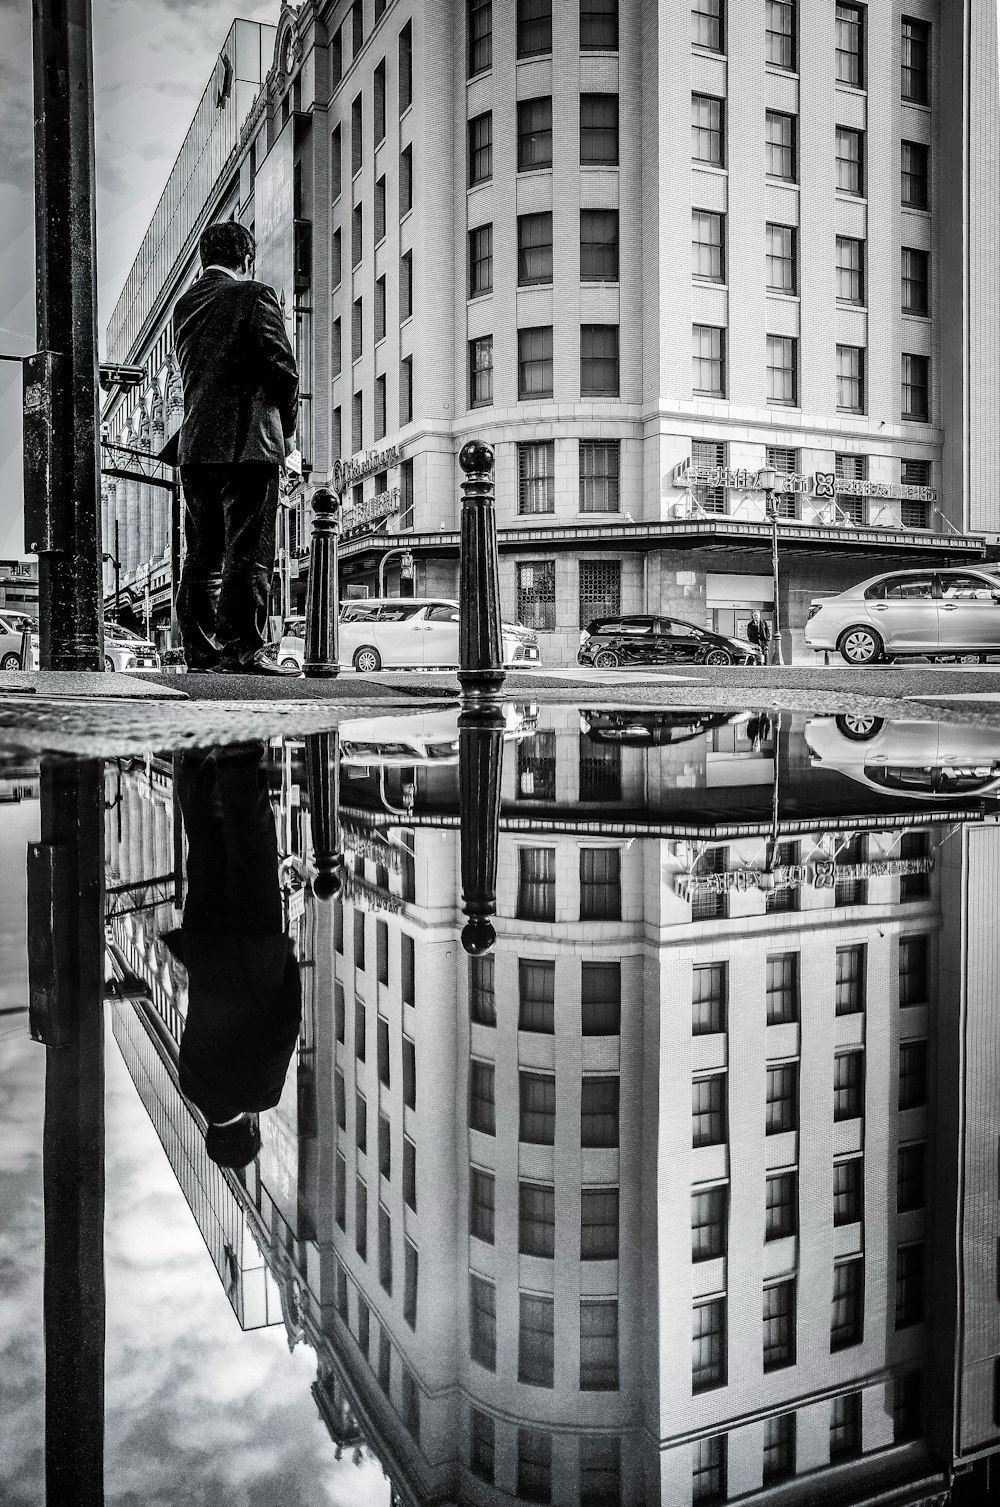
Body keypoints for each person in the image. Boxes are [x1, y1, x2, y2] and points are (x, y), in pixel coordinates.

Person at [165, 221, 300, 676]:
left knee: (202, 552)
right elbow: (283, 369)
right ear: (246, 257)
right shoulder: (255, 295)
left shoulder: (185, 307)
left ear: (206, 258)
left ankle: (201, 651)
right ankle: (241, 650)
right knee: (248, 551)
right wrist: (288, 432)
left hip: (196, 447)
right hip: (248, 445)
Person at [162, 742, 302, 1169]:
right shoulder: (192, 1085)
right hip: (205, 948)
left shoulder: (263, 1094)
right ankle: (191, 766)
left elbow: (286, 1026)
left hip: (255, 950)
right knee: (205, 849)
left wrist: (286, 963)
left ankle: (238, 758)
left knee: (251, 845)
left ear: (251, 1130)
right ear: (211, 1132)